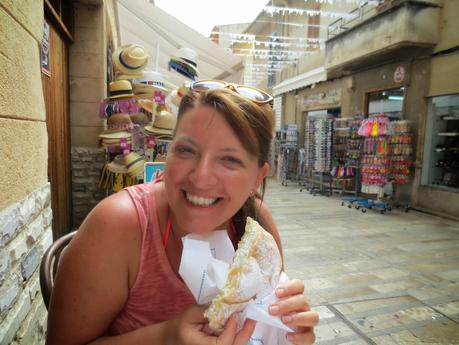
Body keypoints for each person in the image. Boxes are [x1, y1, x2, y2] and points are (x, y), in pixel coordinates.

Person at [46, 81, 319, 345]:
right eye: (187, 150)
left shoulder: (258, 226)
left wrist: (286, 332)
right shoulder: (119, 226)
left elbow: (263, 320)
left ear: (258, 179)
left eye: (230, 159)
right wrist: (166, 338)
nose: (201, 177)